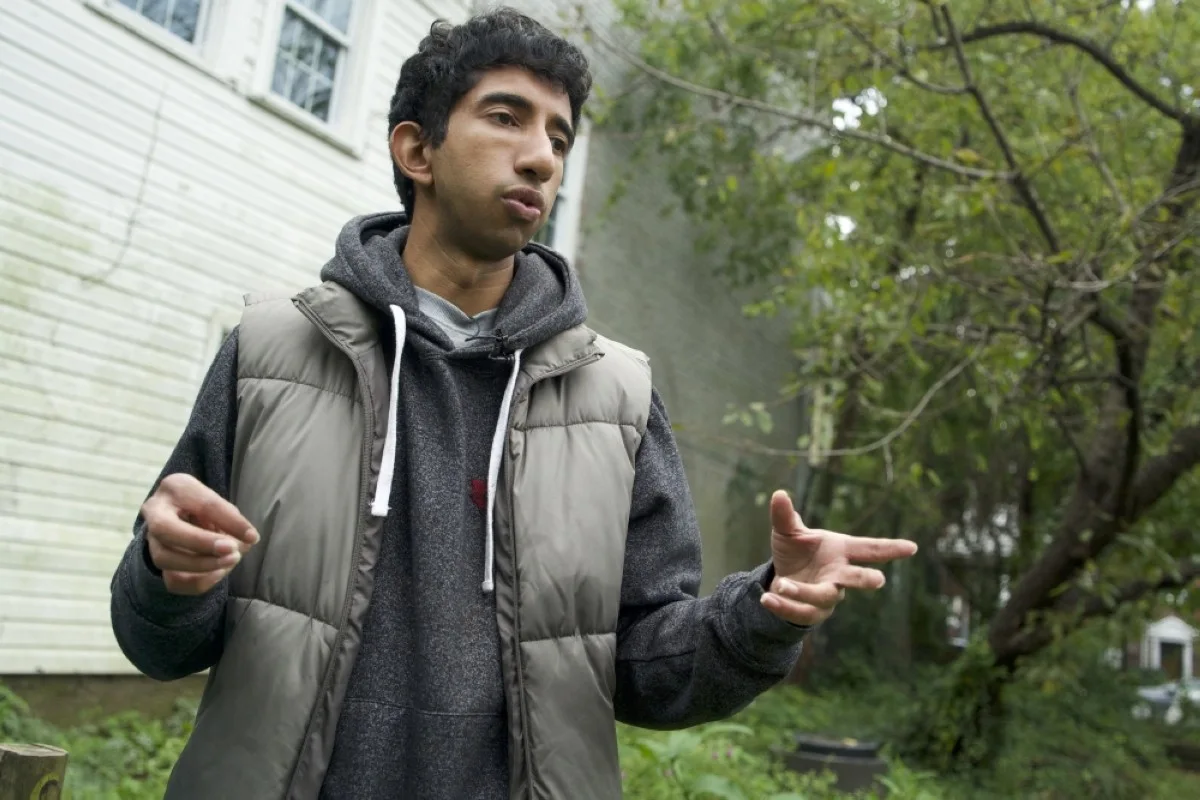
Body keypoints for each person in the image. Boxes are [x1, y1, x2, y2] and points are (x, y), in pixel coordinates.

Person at [109, 8, 917, 800]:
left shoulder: (618, 396)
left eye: (559, 139)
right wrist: (166, 574)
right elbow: (158, 643)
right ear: (417, 149)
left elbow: (646, 673)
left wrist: (765, 612)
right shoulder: (271, 350)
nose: (540, 157)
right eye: (507, 118)